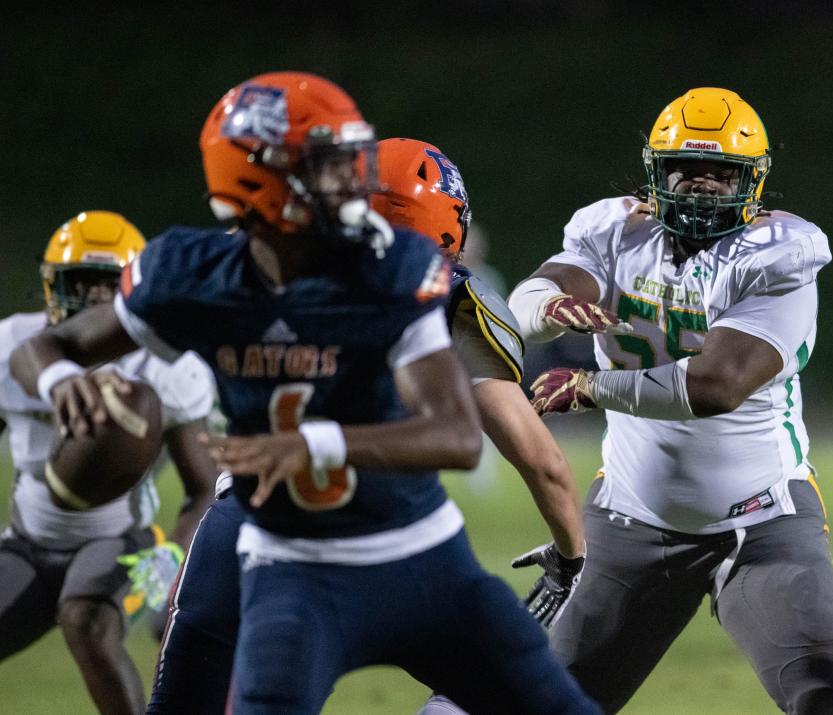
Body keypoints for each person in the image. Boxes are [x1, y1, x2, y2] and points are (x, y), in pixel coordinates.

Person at [11, 72, 600, 715]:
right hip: (287, 559)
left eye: (354, 160)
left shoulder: (396, 272)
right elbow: (48, 347)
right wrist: (64, 382)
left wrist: (313, 443)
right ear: (258, 179)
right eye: (328, 164)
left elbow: (458, 437)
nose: (353, 180)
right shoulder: (196, 275)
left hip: (410, 551)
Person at [508, 87, 833, 714]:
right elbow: (539, 294)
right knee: (554, 704)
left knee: (820, 697)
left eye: (720, 174)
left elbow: (714, 386)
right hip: (630, 521)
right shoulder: (614, 229)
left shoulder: (780, 253)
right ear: (654, 173)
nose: (701, 187)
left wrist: (591, 386)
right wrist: (548, 307)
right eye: (684, 171)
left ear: (752, 179)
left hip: (762, 524)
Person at [370, 138, 588, 715]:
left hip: (254, 531)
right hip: (385, 538)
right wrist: (571, 559)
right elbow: (545, 464)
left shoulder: (277, 277)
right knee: (507, 680)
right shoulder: (449, 304)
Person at [0, 210, 218, 715]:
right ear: (52, 286)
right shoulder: (17, 344)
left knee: (86, 620)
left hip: (119, 540)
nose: (95, 300)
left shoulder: (164, 364)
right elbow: (30, 359)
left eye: (108, 285)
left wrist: (174, 565)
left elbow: (202, 487)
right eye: (81, 283)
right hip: (30, 542)